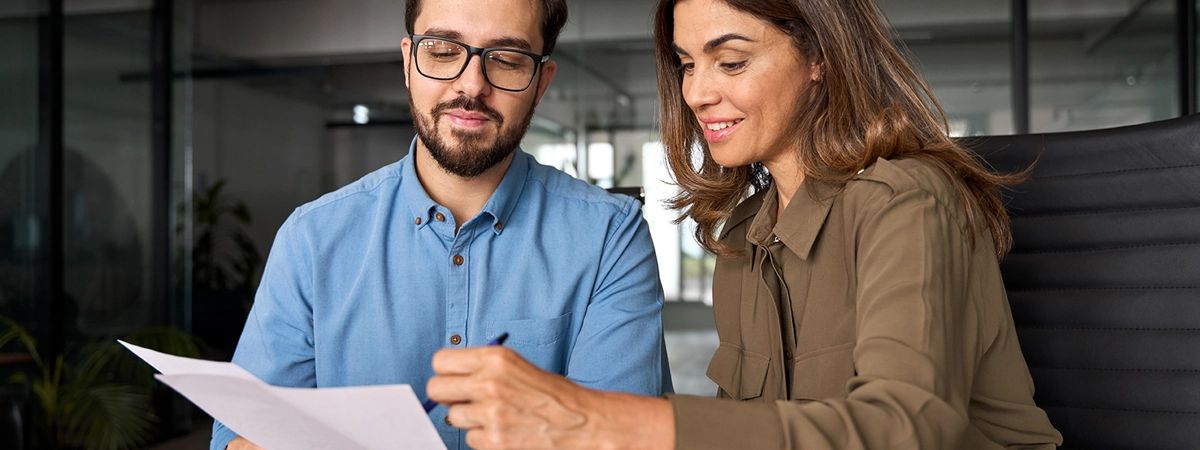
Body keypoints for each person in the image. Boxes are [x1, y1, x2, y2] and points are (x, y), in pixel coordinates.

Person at [424, 0, 1065, 448]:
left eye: (730, 62)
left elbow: (907, 430)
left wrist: (602, 421)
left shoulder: (907, 201)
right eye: (687, 63)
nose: (697, 92)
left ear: (819, 57)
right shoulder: (743, 239)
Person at [212, 0, 673, 448]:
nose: (472, 86)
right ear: (408, 62)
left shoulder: (610, 237)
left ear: (541, 82)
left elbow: (623, 438)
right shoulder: (311, 239)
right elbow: (238, 433)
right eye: (442, 51)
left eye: (507, 59)